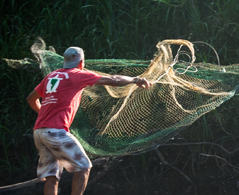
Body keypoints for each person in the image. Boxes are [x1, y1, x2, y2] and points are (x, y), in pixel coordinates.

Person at [26, 46, 152, 195]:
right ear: (81, 62)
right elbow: (114, 80)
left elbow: (30, 99)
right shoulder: (77, 74)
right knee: (84, 166)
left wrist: (45, 115)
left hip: (39, 132)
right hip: (55, 132)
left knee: (52, 177)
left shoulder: (52, 76)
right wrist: (135, 79)